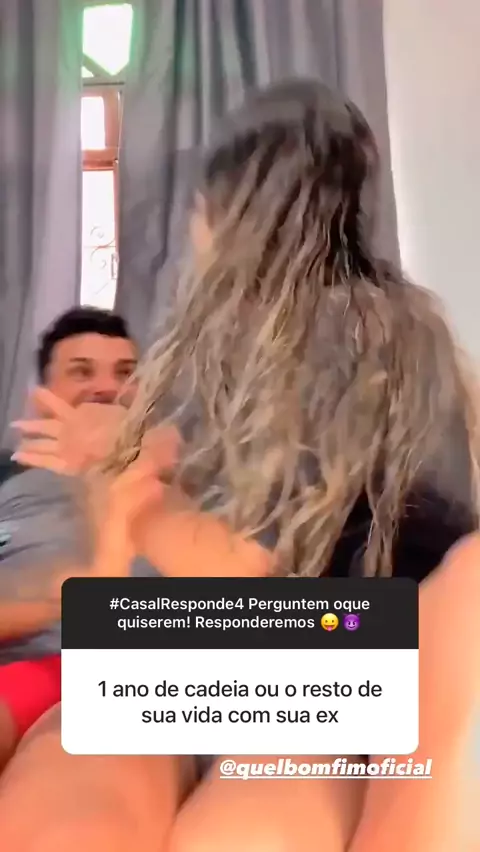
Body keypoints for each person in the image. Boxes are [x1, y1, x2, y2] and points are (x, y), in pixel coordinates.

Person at [2, 79, 480, 851]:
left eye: (199, 211)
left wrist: (123, 471)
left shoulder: (308, 339)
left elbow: (249, 578)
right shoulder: (404, 329)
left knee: (110, 688)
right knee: (112, 683)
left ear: (230, 214)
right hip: (351, 644)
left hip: (344, 644)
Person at [0, 307, 166, 769]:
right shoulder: (6, 480)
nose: (106, 388)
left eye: (125, 373)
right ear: (43, 392)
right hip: (25, 662)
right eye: (81, 371)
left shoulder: (193, 479)